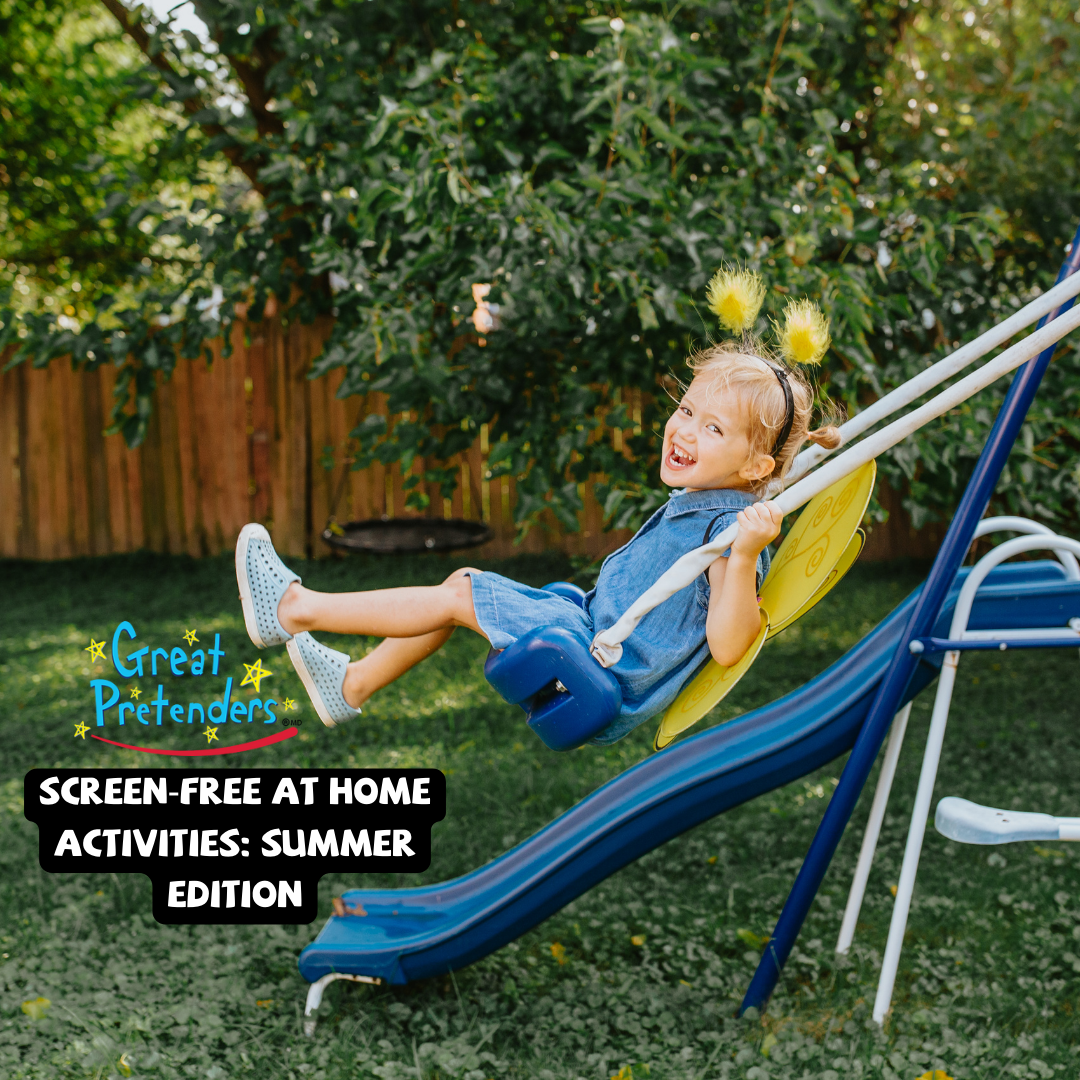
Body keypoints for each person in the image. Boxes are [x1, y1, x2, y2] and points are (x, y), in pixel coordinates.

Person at [234, 270, 839, 742]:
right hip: (592, 626)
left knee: (460, 595)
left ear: (756, 467)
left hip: (604, 665)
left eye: (712, 429)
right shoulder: (711, 503)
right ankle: (351, 683)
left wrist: (743, 559)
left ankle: (294, 609)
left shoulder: (730, 531)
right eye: (686, 411)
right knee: (460, 586)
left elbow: (731, 645)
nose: (683, 431)